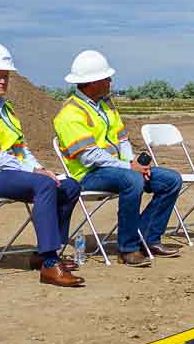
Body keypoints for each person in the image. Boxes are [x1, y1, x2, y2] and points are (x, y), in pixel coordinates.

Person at [0, 43, 85, 287]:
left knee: (70, 185)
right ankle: (49, 263)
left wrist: (39, 168)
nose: (1, 81)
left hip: (6, 172)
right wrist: (35, 172)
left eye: (4, 76)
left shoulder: (5, 109)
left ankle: (44, 252)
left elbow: (20, 149)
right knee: (44, 184)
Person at [50, 50, 182, 267]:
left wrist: (135, 164)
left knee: (171, 180)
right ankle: (128, 249)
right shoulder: (69, 114)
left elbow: (122, 140)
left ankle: (147, 239)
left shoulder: (106, 106)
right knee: (133, 181)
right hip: (89, 175)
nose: (110, 81)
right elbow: (89, 156)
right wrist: (129, 168)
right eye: (106, 78)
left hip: (118, 169)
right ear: (91, 83)